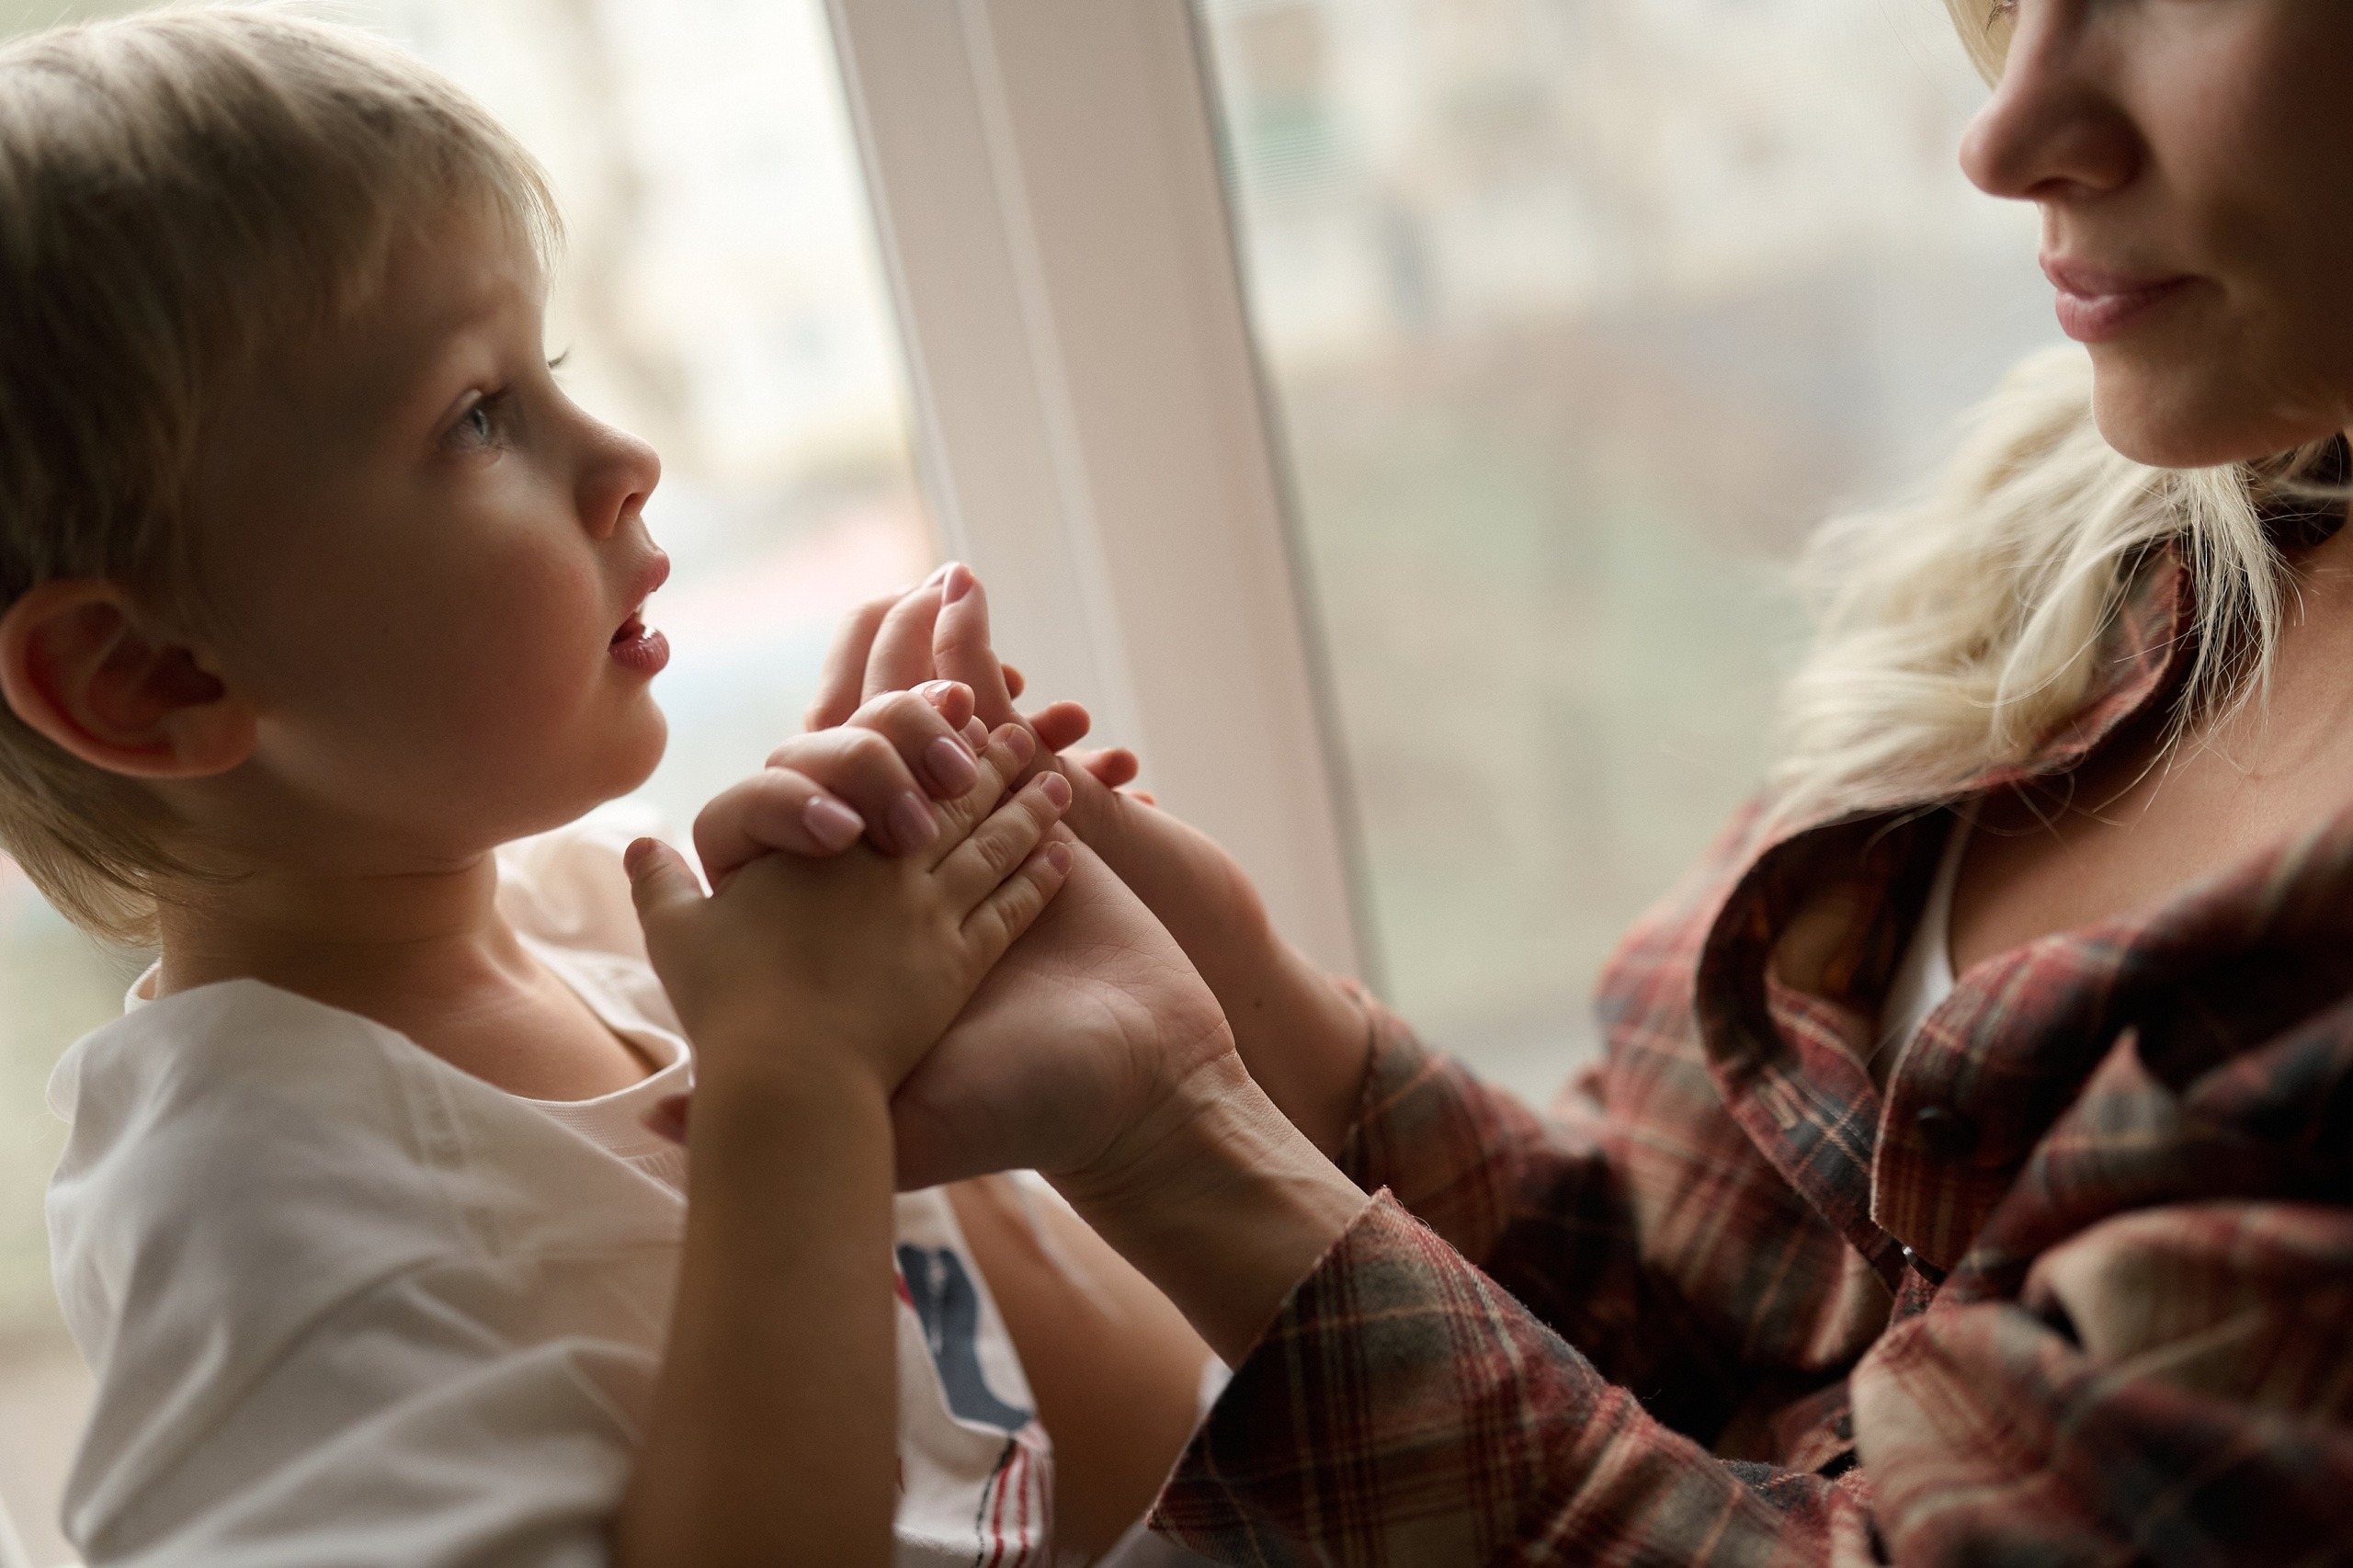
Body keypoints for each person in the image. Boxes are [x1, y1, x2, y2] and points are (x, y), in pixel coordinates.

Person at [753, 1, 2353, 1560]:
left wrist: (1175, 1137)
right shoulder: (2082, 548)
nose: (2004, 135)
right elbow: (1702, 1314)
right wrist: (1255, 1020)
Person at [0, 11, 1224, 1565]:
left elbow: (1137, 1475)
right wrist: (800, 1079)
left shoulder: (614, 922)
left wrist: (931, 1020)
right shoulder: (260, 1240)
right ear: (149, 678)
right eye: (476, 416)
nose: (625, 454)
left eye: (551, 366)